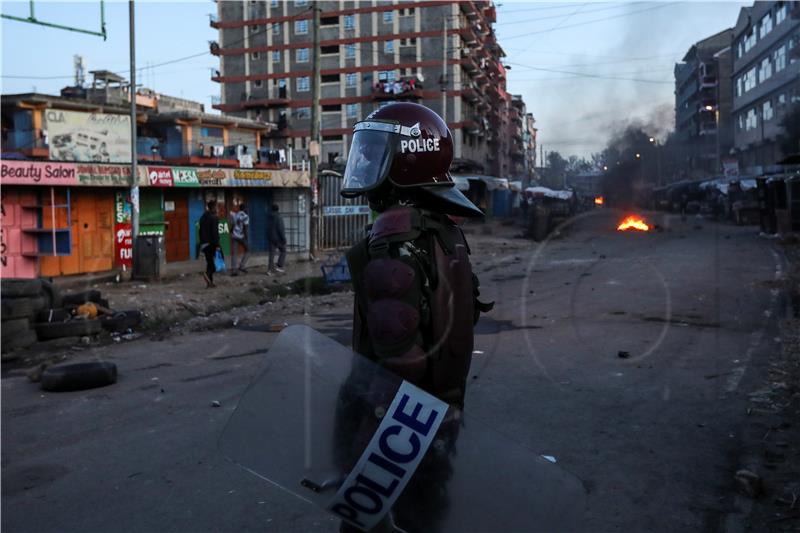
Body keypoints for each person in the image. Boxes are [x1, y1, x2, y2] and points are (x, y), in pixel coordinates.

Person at [336, 102, 492, 532]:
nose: (363, 161)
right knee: (424, 515)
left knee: (374, 523)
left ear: (406, 159)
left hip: (401, 426)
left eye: (374, 151)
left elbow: (401, 358)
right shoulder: (440, 227)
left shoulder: (395, 237)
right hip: (440, 411)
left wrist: (365, 449)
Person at [198, 199, 220, 288]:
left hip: (204, 243)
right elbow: (215, 232)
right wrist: (217, 244)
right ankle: (207, 275)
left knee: (209, 262)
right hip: (211, 243)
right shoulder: (214, 218)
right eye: (217, 207)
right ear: (213, 207)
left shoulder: (203, 217)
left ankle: (210, 283)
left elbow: (200, 230)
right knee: (213, 266)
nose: (217, 209)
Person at [229, 203, 250, 275]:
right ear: (245, 209)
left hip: (234, 236)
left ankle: (234, 270)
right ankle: (242, 266)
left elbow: (231, 226)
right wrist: (246, 238)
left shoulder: (234, 215)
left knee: (234, 253)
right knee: (248, 250)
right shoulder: (246, 216)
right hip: (241, 237)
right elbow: (245, 228)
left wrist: (231, 233)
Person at [267, 203, 287, 275]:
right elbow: (280, 229)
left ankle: (269, 270)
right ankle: (279, 266)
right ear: (278, 209)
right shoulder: (279, 217)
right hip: (278, 239)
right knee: (283, 251)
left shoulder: (269, 217)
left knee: (271, 254)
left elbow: (267, 228)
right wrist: (283, 238)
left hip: (271, 238)